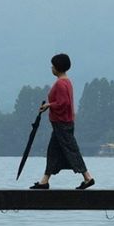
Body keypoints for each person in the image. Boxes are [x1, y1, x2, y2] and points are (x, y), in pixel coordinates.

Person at [30, 53, 95, 190]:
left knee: (71, 150)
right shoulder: (67, 81)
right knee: (53, 151)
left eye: (53, 66)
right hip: (63, 122)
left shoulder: (60, 83)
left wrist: (48, 105)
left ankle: (88, 177)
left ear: (57, 67)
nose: (51, 68)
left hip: (62, 123)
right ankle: (44, 181)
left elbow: (63, 103)